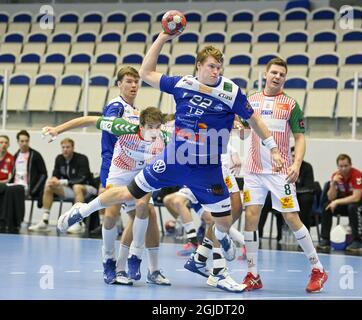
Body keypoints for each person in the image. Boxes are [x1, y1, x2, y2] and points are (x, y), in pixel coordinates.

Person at [57, 31, 283, 293]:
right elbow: (146, 72)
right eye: (211, 66)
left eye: (219, 67)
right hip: (174, 159)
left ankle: (217, 272)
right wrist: (163, 37)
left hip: (207, 169)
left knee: (223, 220)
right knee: (130, 192)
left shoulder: (230, 91)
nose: (216, 71)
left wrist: (274, 148)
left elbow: (254, 120)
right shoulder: (182, 83)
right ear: (199, 66)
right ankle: (82, 211)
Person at [43, 107, 172, 286]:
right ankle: (109, 261)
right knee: (111, 216)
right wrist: (57, 129)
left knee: (144, 206)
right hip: (121, 171)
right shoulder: (124, 126)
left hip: (142, 173)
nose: (154, 131)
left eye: (157, 127)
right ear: (141, 125)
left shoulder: (164, 136)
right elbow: (87, 119)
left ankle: (135, 257)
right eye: (150, 127)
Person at [241, 57, 327, 293]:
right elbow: (244, 128)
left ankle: (318, 268)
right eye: (274, 73)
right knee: (251, 218)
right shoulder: (251, 101)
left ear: (284, 78)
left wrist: (296, 164)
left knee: (291, 217)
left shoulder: (290, 104)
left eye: (282, 74)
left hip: (280, 172)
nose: (277, 77)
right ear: (266, 74)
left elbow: (300, 137)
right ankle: (253, 274)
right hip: (253, 172)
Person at [28, 138, 96, 233]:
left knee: (77, 187)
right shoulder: (59, 158)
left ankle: (78, 222)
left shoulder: (82, 158)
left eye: (68, 147)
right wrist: (54, 180)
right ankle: (44, 221)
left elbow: (82, 178)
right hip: (71, 189)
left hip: (87, 188)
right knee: (49, 186)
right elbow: (55, 175)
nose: (65, 149)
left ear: (73, 148)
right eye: (63, 147)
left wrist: (62, 182)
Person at [317, 154, 362, 252]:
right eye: (340, 166)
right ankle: (325, 240)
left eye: (346, 166)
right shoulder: (336, 176)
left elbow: (356, 198)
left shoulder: (357, 175)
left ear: (350, 165)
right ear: (337, 166)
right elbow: (331, 197)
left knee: (353, 207)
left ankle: (357, 242)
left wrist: (337, 201)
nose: (343, 169)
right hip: (347, 204)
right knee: (327, 206)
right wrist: (333, 183)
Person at [258, 146, 316, 240]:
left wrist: (292, 193)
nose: (293, 158)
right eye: (291, 156)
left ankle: (305, 238)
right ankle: (258, 234)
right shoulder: (281, 165)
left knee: (307, 199)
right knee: (266, 199)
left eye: (295, 156)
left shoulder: (307, 167)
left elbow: (309, 187)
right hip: (282, 194)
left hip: (299, 196)